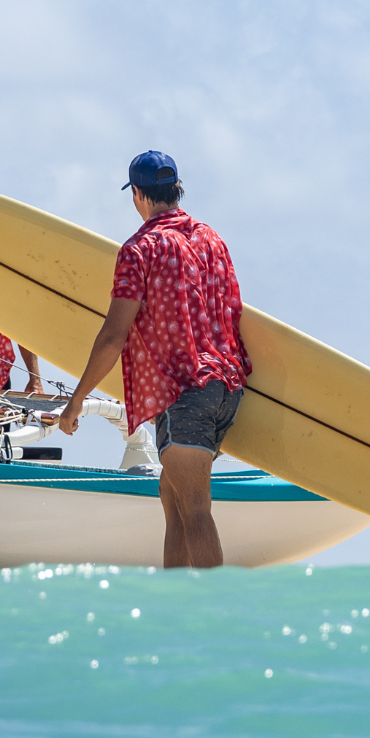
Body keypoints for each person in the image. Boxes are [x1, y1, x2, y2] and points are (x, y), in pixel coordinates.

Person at [57, 151, 249, 568]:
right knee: (172, 496)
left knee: (196, 508)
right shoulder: (211, 239)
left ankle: (217, 614)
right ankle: (175, 603)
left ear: (138, 195)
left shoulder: (140, 249)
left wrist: (76, 400)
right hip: (226, 387)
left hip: (186, 390)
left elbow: (113, 336)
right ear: (175, 190)